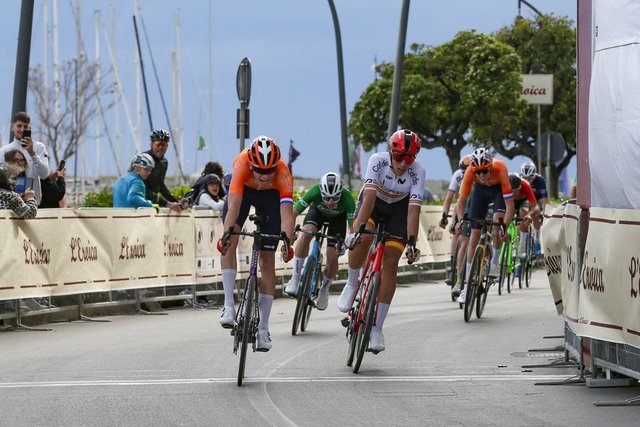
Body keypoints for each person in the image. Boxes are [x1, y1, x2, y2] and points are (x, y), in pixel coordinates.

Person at [336, 129, 425, 353]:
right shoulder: (377, 161)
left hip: (399, 211)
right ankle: (353, 282)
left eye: (410, 158)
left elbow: (414, 211)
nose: (404, 163)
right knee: (364, 237)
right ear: (390, 152)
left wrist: (412, 243)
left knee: (391, 263)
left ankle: (377, 328)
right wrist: (357, 230)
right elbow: (368, 199)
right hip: (374, 205)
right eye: (399, 157)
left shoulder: (418, 172)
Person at [216, 135, 294, 352]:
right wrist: (226, 234)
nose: (264, 175)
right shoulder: (241, 164)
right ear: (251, 164)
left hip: (271, 199)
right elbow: (233, 207)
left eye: (269, 170)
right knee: (230, 238)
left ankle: (263, 328)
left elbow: (287, 216)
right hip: (245, 195)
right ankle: (228, 306)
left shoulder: (283, 173)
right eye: (259, 170)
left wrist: (287, 242)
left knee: (268, 261)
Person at [284, 171, 355, 310]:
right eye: (327, 198)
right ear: (321, 191)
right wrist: (290, 231)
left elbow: (353, 228)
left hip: (338, 220)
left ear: (340, 192)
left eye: (334, 199)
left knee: (333, 256)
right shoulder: (315, 191)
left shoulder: (347, 199)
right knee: (306, 234)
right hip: (317, 213)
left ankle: (324, 290)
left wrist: (347, 242)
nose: (330, 202)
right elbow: (293, 213)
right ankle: (296, 277)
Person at [454, 148, 514, 303]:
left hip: (497, 191)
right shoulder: (470, 172)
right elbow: (461, 202)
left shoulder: (501, 169)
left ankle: (494, 262)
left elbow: (510, 206)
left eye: (484, 171)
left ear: (491, 167)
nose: (481, 175)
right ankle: (466, 286)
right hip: (480, 192)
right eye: (478, 172)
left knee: (496, 225)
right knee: (474, 236)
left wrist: (504, 227)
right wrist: (461, 220)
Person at [0, 112, 49, 205]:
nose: (22, 129)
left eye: (25, 126)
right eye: (19, 126)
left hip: (33, 202)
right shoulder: (3, 150)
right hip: (10, 203)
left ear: (29, 128)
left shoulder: (39, 147)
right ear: (12, 127)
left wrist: (32, 154)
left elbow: (44, 175)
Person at [440, 155, 470, 286]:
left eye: (467, 170)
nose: (465, 173)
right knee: (456, 232)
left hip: (473, 202)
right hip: (462, 204)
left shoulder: (476, 174)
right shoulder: (458, 175)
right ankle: (453, 267)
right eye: (463, 171)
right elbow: (448, 198)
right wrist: (444, 216)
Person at [144, 129, 182, 212]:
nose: (160, 148)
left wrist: (176, 202)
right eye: (158, 144)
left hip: (152, 201)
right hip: (140, 200)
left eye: (163, 145)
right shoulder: (143, 159)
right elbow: (141, 188)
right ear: (151, 145)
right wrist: (166, 203)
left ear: (167, 146)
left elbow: (161, 185)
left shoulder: (164, 162)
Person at [520, 161, 548, 254]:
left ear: (534, 175)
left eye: (530, 178)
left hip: (537, 199)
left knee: (536, 215)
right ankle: (523, 240)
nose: (527, 180)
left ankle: (537, 240)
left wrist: (544, 212)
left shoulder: (540, 180)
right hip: (526, 199)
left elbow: (544, 200)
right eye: (525, 178)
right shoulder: (519, 180)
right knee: (523, 212)